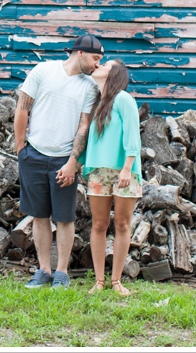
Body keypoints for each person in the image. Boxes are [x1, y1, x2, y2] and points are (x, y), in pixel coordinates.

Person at [14, 34, 103, 290]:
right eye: (96, 58)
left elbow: (84, 125)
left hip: (63, 160)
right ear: (80, 53)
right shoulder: (43, 71)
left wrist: (73, 162)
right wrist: (21, 149)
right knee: (40, 216)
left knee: (64, 217)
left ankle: (61, 272)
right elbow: (22, 109)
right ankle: (43, 270)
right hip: (34, 154)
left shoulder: (89, 86)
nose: (98, 64)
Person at [79, 59, 142, 296]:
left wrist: (127, 168)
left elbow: (132, 135)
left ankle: (116, 281)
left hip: (124, 170)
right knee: (98, 224)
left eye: (105, 64)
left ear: (114, 74)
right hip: (98, 171)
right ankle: (99, 281)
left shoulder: (124, 99)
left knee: (122, 224)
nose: (99, 65)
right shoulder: (97, 102)